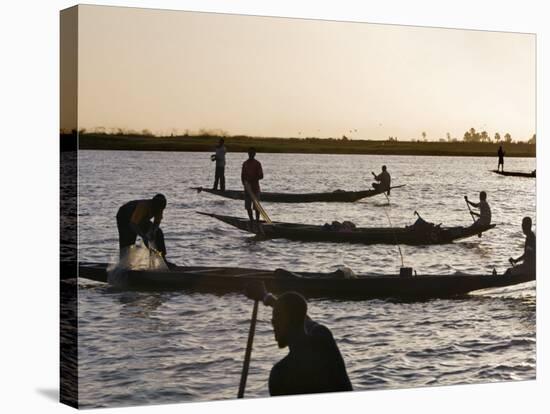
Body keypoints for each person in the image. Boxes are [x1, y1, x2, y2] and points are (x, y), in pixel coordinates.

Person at [245, 282, 353, 396]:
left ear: (283, 323)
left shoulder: (280, 374)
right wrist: (265, 297)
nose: (273, 328)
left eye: (274, 322)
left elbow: (296, 315)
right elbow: (298, 316)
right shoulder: (323, 338)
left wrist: (266, 297)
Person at [116, 194, 173, 267]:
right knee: (129, 240)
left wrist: (153, 232)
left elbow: (156, 223)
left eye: (161, 209)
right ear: (153, 205)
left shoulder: (159, 208)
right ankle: (124, 264)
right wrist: (143, 236)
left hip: (141, 219)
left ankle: (163, 259)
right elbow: (133, 224)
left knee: (158, 233)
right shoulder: (143, 207)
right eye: (157, 209)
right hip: (124, 217)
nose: (159, 211)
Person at [241, 147, 263, 223]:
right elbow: (242, 175)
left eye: (252, 153)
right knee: (248, 206)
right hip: (247, 189)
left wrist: (253, 179)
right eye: (249, 153)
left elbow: (261, 176)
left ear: (254, 154)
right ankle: (251, 220)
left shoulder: (257, 163)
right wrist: (244, 184)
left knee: (257, 207)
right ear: (248, 154)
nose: (251, 154)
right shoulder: (245, 163)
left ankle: (257, 220)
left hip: (255, 188)